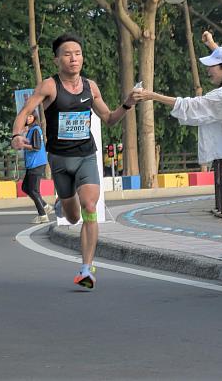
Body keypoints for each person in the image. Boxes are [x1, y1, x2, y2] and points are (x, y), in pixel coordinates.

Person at [134, 39, 222, 285]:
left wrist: (150, 95)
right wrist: (213, 45)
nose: (208, 70)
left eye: (213, 66)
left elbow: (189, 105)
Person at [11, 33, 140, 289]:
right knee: (71, 217)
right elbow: (25, 112)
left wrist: (127, 104)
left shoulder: (91, 87)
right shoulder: (49, 86)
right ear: (57, 59)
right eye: (67, 54)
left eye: (78, 53)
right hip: (59, 160)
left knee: (90, 207)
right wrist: (17, 134)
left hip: (86, 156)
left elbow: (110, 118)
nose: (74, 58)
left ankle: (86, 269)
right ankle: (63, 204)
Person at [21, 111, 50, 223]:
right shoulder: (31, 130)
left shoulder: (35, 130)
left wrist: (23, 145)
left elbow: (36, 147)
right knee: (25, 188)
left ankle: (42, 215)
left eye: (30, 116)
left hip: (37, 163)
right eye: (26, 116)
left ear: (34, 117)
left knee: (33, 190)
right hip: (32, 163)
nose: (28, 118)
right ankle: (45, 206)